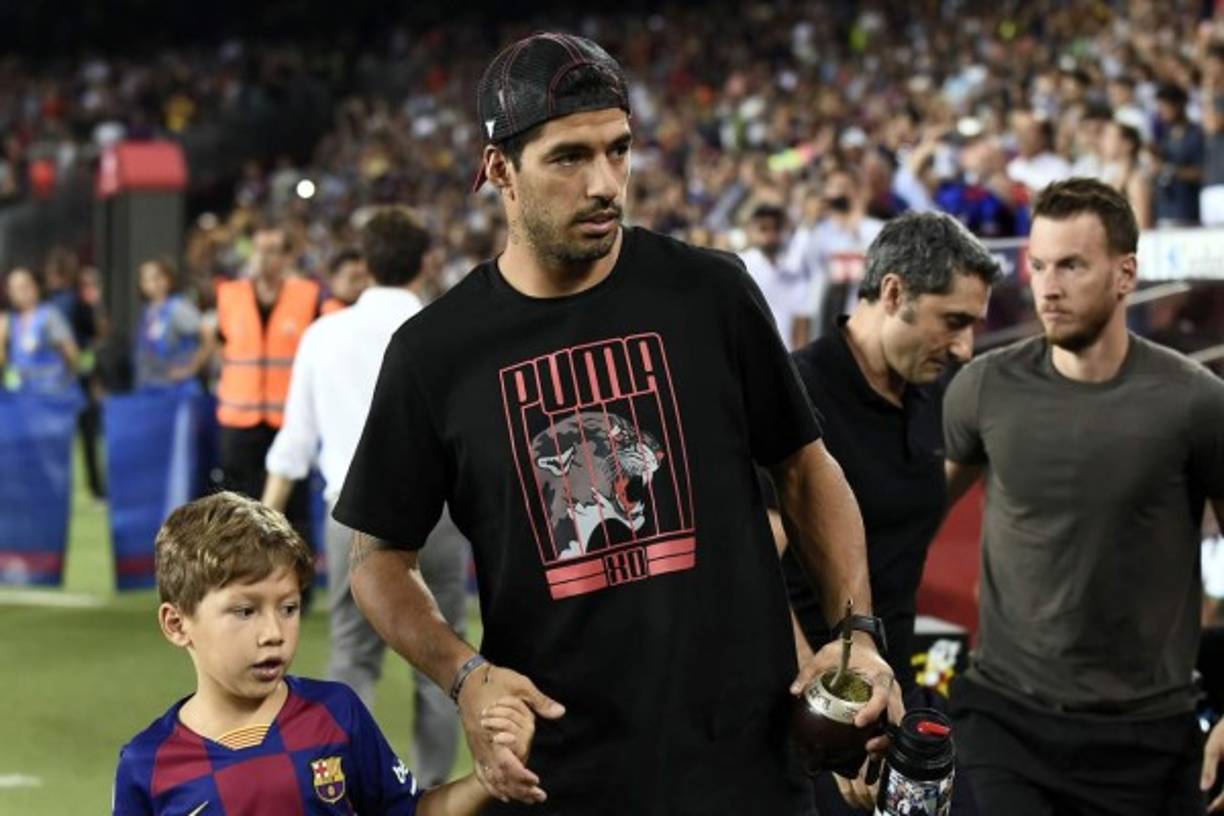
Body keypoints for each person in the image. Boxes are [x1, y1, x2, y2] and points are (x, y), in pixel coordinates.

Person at [334, 31, 900, 814]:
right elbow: (376, 557)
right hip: (563, 775)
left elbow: (805, 469)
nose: (604, 183)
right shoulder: (436, 352)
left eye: (619, 150)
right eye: (569, 158)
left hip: (745, 765)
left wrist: (856, 634)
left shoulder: (711, 294)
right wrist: (464, 675)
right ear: (499, 169)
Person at [942, 177, 1224, 815]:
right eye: (1038, 265)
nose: (1047, 287)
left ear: (1126, 275)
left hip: (1151, 737)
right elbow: (906, 524)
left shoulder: (1196, 403)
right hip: (1007, 722)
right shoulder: (983, 389)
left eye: (1071, 265)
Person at [112, 491, 532, 815]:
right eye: (244, 611)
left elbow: (410, 811)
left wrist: (487, 780)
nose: (273, 634)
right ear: (176, 624)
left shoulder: (335, 713)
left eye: (288, 608)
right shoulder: (148, 764)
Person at [782, 211, 998, 813]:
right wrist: (833, 720)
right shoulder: (799, 390)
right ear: (895, 292)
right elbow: (755, 566)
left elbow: (915, 519)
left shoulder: (931, 394)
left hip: (895, 690)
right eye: (953, 321)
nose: (965, 347)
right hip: (814, 707)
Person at [263, 208, 469, 787]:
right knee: (443, 661)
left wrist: (262, 521)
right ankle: (431, 791)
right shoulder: (448, 328)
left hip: (351, 516)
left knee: (352, 656)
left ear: (365, 264)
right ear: (426, 261)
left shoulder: (323, 335)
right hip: (436, 516)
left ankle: (343, 788)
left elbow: (294, 443)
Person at [211, 226, 319, 539]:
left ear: (286, 257)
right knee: (238, 510)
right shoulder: (229, 294)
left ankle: (295, 570)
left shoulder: (307, 296)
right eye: (258, 250)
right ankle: (239, 569)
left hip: (289, 420)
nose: (262, 257)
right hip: (239, 420)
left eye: (271, 250)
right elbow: (220, 342)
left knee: (291, 512)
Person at [738, 203, 808, 351]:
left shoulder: (793, 270)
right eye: (763, 229)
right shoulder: (740, 266)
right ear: (751, 231)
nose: (770, 235)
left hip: (786, 354)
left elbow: (800, 321)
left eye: (776, 228)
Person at [134, 258, 212, 389]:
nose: (154, 283)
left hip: (179, 390)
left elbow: (208, 335)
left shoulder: (178, 308)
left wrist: (191, 369)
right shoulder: (149, 311)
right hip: (152, 387)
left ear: (168, 280)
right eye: (146, 279)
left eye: (158, 278)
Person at [0, 266, 79, 395]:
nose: (19, 293)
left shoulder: (50, 315)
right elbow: (4, 363)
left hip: (51, 392)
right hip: (21, 394)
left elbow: (71, 353)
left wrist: (69, 383)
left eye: (24, 286)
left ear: (35, 287)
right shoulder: (9, 321)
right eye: (13, 289)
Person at [1153, 82, 1205, 227]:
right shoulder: (1166, 136)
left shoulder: (1197, 134)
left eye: (1164, 106)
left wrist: (1168, 170)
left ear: (1180, 104)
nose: (1161, 111)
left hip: (1188, 212)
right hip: (1164, 212)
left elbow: (1203, 172)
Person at [321, 248, 371, 315]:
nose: (361, 285)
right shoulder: (328, 313)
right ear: (333, 279)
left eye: (365, 279)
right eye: (354, 279)